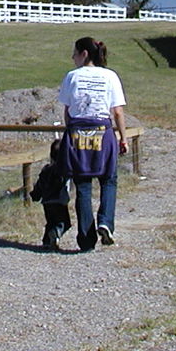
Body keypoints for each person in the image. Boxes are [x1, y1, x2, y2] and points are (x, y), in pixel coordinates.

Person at [57, 36, 127, 251]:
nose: (72, 57)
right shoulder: (110, 76)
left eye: (75, 53)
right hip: (102, 131)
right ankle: (106, 222)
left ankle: (86, 239)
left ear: (84, 54)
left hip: (78, 132)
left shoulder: (72, 77)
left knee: (83, 185)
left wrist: (71, 131)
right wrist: (123, 138)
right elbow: (117, 111)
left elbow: (67, 111)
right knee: (109, 180)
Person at [29, 138, 71, 251]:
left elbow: (40, 184)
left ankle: (47, 242)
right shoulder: (64, 170)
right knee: (65, 223)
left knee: (50, 222)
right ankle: (56, 233)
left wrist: (35, 194)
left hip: (46, 201)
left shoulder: (45, 169)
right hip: (60, 200)